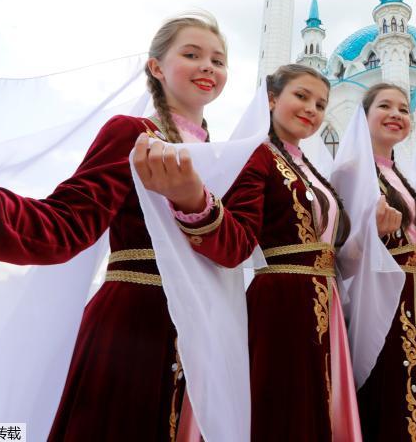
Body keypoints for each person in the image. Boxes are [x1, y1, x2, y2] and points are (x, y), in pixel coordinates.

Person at [0, 11, 229, 441]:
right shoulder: (133, 134)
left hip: (202, 331)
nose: (208, 67)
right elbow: (57, 228)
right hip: (136, 330)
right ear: (156, 67)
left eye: (218, 60)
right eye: (192, 54)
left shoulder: (220, 152)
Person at [138, 63, 362, 441]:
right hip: (282, 303)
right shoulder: (256, 156)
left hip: (324, 302)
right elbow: (238, 237)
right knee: (284, 405)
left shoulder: (308, 166)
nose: (312, 109)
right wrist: (195, 206)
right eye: (301, 96)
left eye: (321, 104)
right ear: (272, 99)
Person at [347, 83, 416, 441]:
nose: (396, 114)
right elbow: (340, 253)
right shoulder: (350, 173)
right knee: (392, 394)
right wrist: (373, 236)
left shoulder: (403, 179)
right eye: (385, 106)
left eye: (404, 109)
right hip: (382, 298)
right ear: (363, 117)